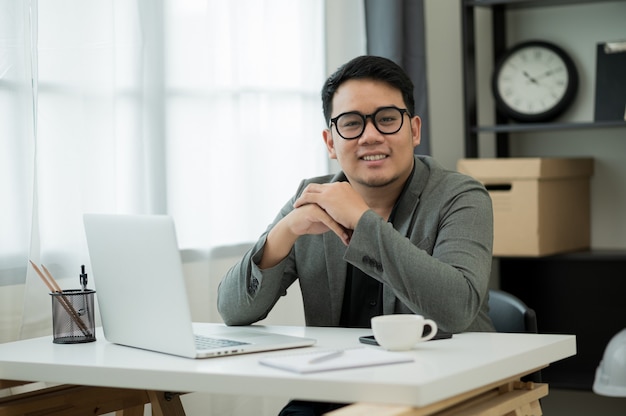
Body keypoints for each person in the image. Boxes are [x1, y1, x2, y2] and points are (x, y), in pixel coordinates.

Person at [217, 55, 494, 415]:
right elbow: (233, 310)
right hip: (334, 387)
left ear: (414, 130)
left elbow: (456, 309)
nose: (371, 136)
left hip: (440, 390)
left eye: (387, 119)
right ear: (330, 142)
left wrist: (361, 219)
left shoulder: (460, 196)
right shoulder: (313, 195)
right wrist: (283, 233)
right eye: (351, 124)